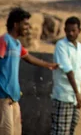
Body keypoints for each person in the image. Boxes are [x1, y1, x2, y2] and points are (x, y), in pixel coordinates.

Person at [0, 7, 58, 135]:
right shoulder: (4, 40)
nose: (28, 27)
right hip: (3, 97)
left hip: (14, 98)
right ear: (16, 24)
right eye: (25, 24)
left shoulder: (17, 44)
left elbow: (28, 58)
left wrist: (48, 65)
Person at [51, 16, 81, 135]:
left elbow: (78, 71)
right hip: (63, 94)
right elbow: (69, 71)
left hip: (75, 96)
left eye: (73, 31)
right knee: (60, 131)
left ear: (79, 31)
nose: (70, 33)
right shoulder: (61, 45)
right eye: (68, 30)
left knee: (71, 129)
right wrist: (77, 94)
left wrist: (77, 94)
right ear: (64, 30)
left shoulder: (80, 47)